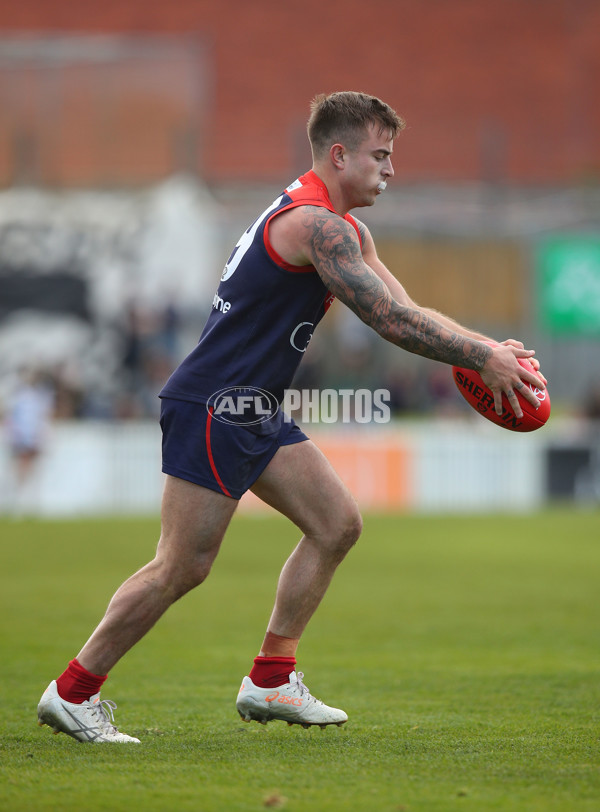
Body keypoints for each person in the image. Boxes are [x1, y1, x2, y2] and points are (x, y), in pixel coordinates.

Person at [37, 91, 545, 743]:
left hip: (253, 406)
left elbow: (409, 305)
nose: (390, 170)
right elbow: (389, 322)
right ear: (340, 154)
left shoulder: (343, 227)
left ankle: (272, 679)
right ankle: (74, 692)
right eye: (380, 156)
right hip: (217, 403)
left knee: (336, 524)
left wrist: (490, 351)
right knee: (181, 566)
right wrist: (481, 356)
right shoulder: (316, 226)